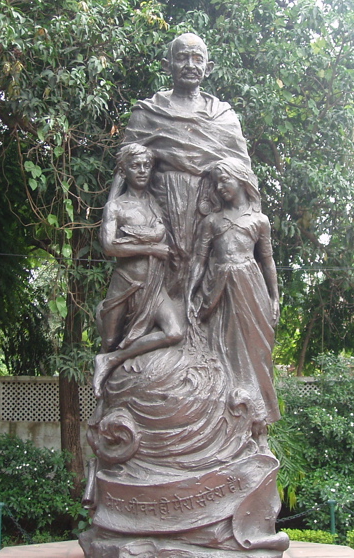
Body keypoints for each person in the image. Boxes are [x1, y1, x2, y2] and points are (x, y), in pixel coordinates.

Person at [123, 33, 251, 297]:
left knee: (205, 275)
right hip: (160, 208)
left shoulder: (223, 116)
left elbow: (243, 172)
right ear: (167, 64)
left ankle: (197, 328)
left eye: (197, 58)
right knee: (163, 272)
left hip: (212, 207)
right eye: (182, 58)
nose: (190, 65)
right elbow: (125, 164)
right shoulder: (148, 112)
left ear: (209, 67)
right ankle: (163, 330)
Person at [185, 158, 281, 436]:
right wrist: (191, 292)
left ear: (240, 180)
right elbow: (199, 262)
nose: (219, 187)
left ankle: (258, 423)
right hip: (219, 291)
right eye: (216, 182)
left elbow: (267, 261)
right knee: (221, 348)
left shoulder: (259, 221)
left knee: (256, 353)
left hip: (251, 290)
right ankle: (224, 418)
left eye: (224, 179)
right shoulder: (212, 222)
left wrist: (274, 297)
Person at [93, 144, 183, 397]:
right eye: (135, 166)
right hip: (126, 284)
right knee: (109, 340)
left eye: (146, 165)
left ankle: (110, 360)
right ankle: (107, 381)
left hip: (154, 286)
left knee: (174, 332)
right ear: (124, 170)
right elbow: (110, 246)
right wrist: (151, 250)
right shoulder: (117, 207)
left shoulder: (155, 203)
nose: (142, 171)